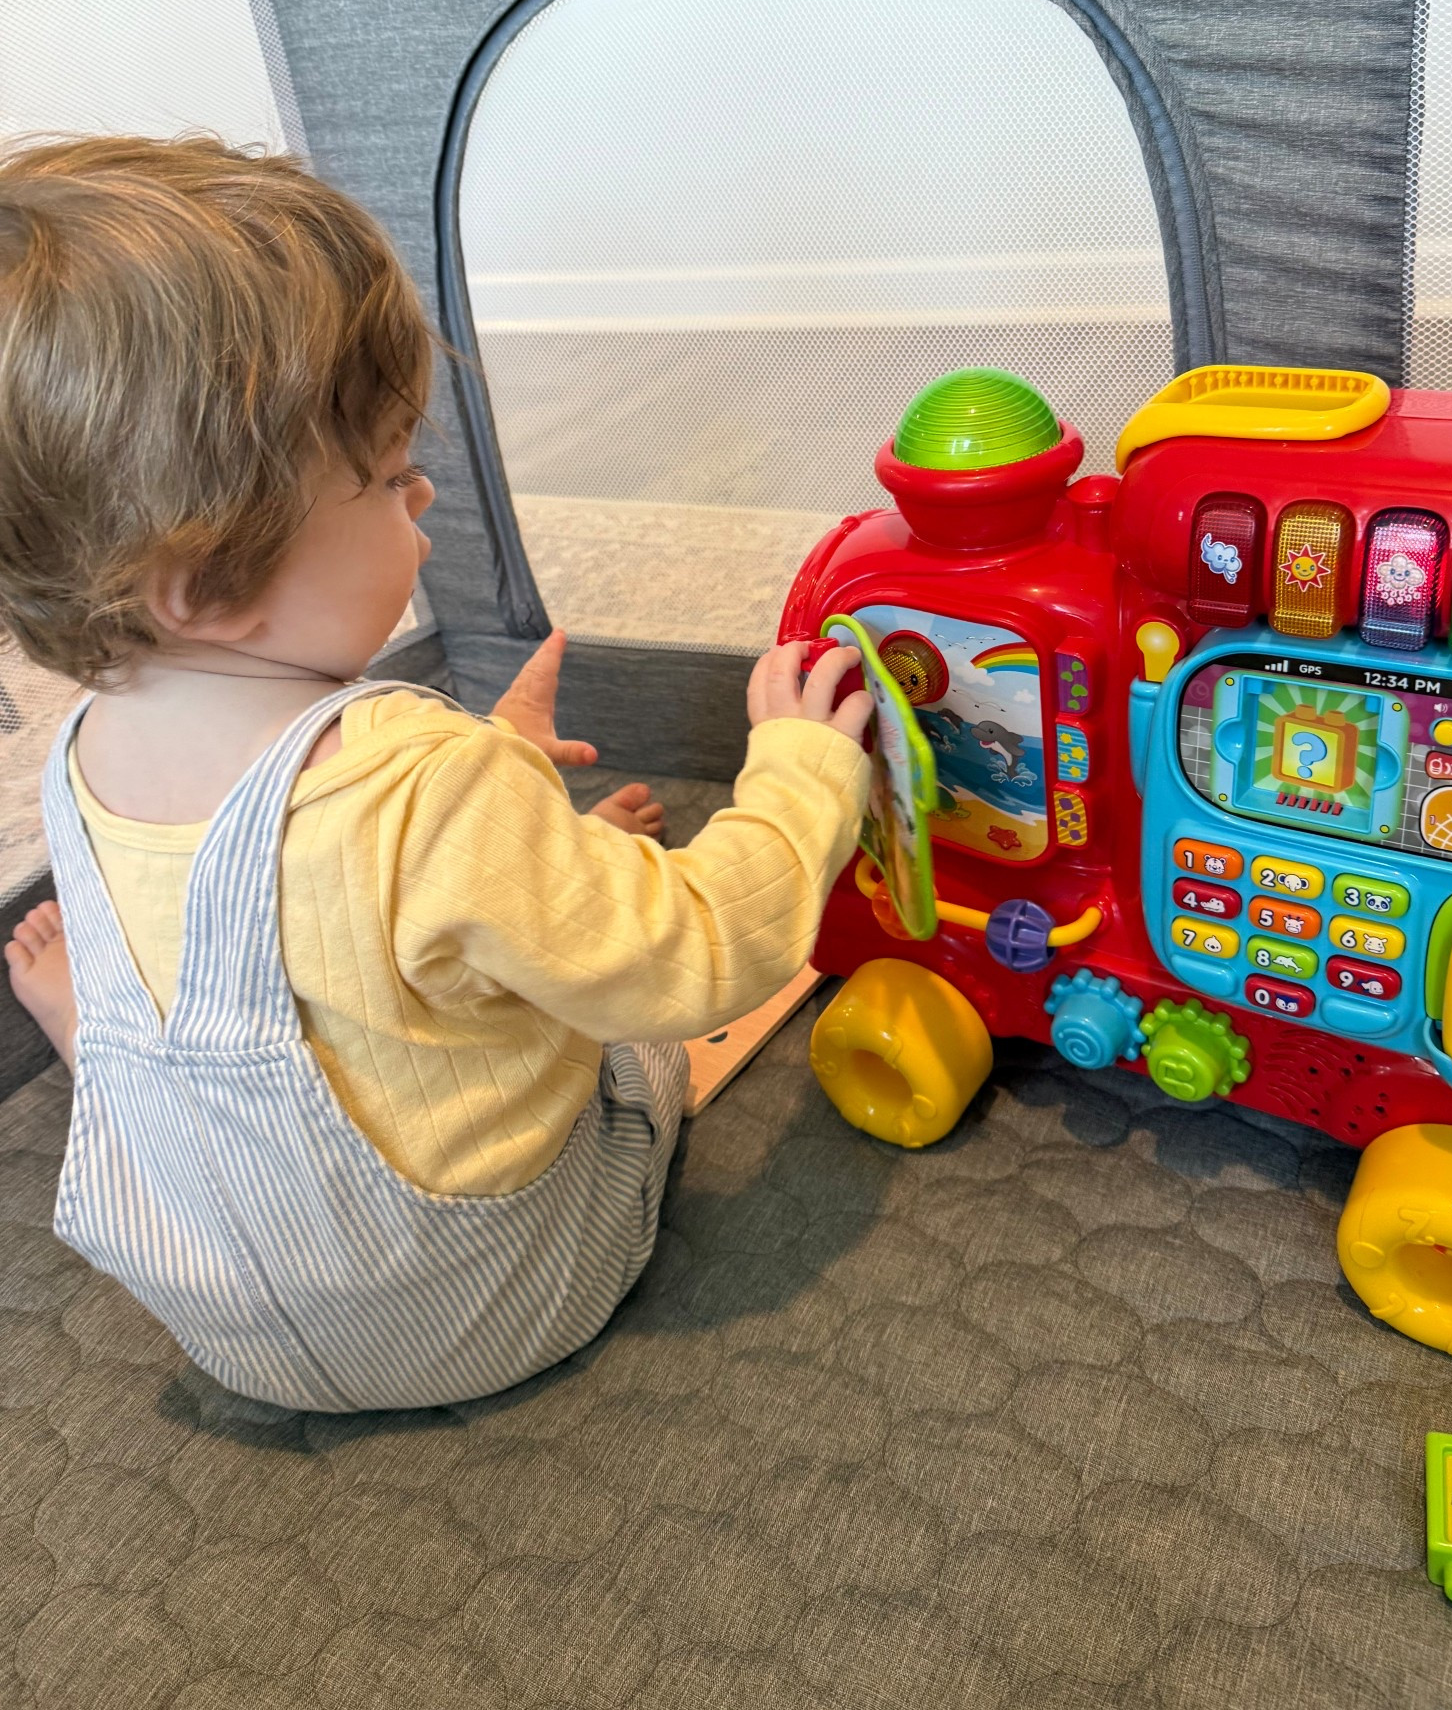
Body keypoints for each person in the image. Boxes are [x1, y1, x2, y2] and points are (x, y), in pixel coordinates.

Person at [0, 136, 870, 1412]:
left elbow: (319, 891)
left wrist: (498, 777)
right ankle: (547, 907)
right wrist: (801, 768)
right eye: (387, 478)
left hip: (230, 1319)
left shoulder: (80, 751)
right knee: (629, 1034)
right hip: (486, 1304)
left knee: (185, 997)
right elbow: (697, 954)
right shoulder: (426, 792)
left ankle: (103, 1031)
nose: (423, 500)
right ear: (208, 584)